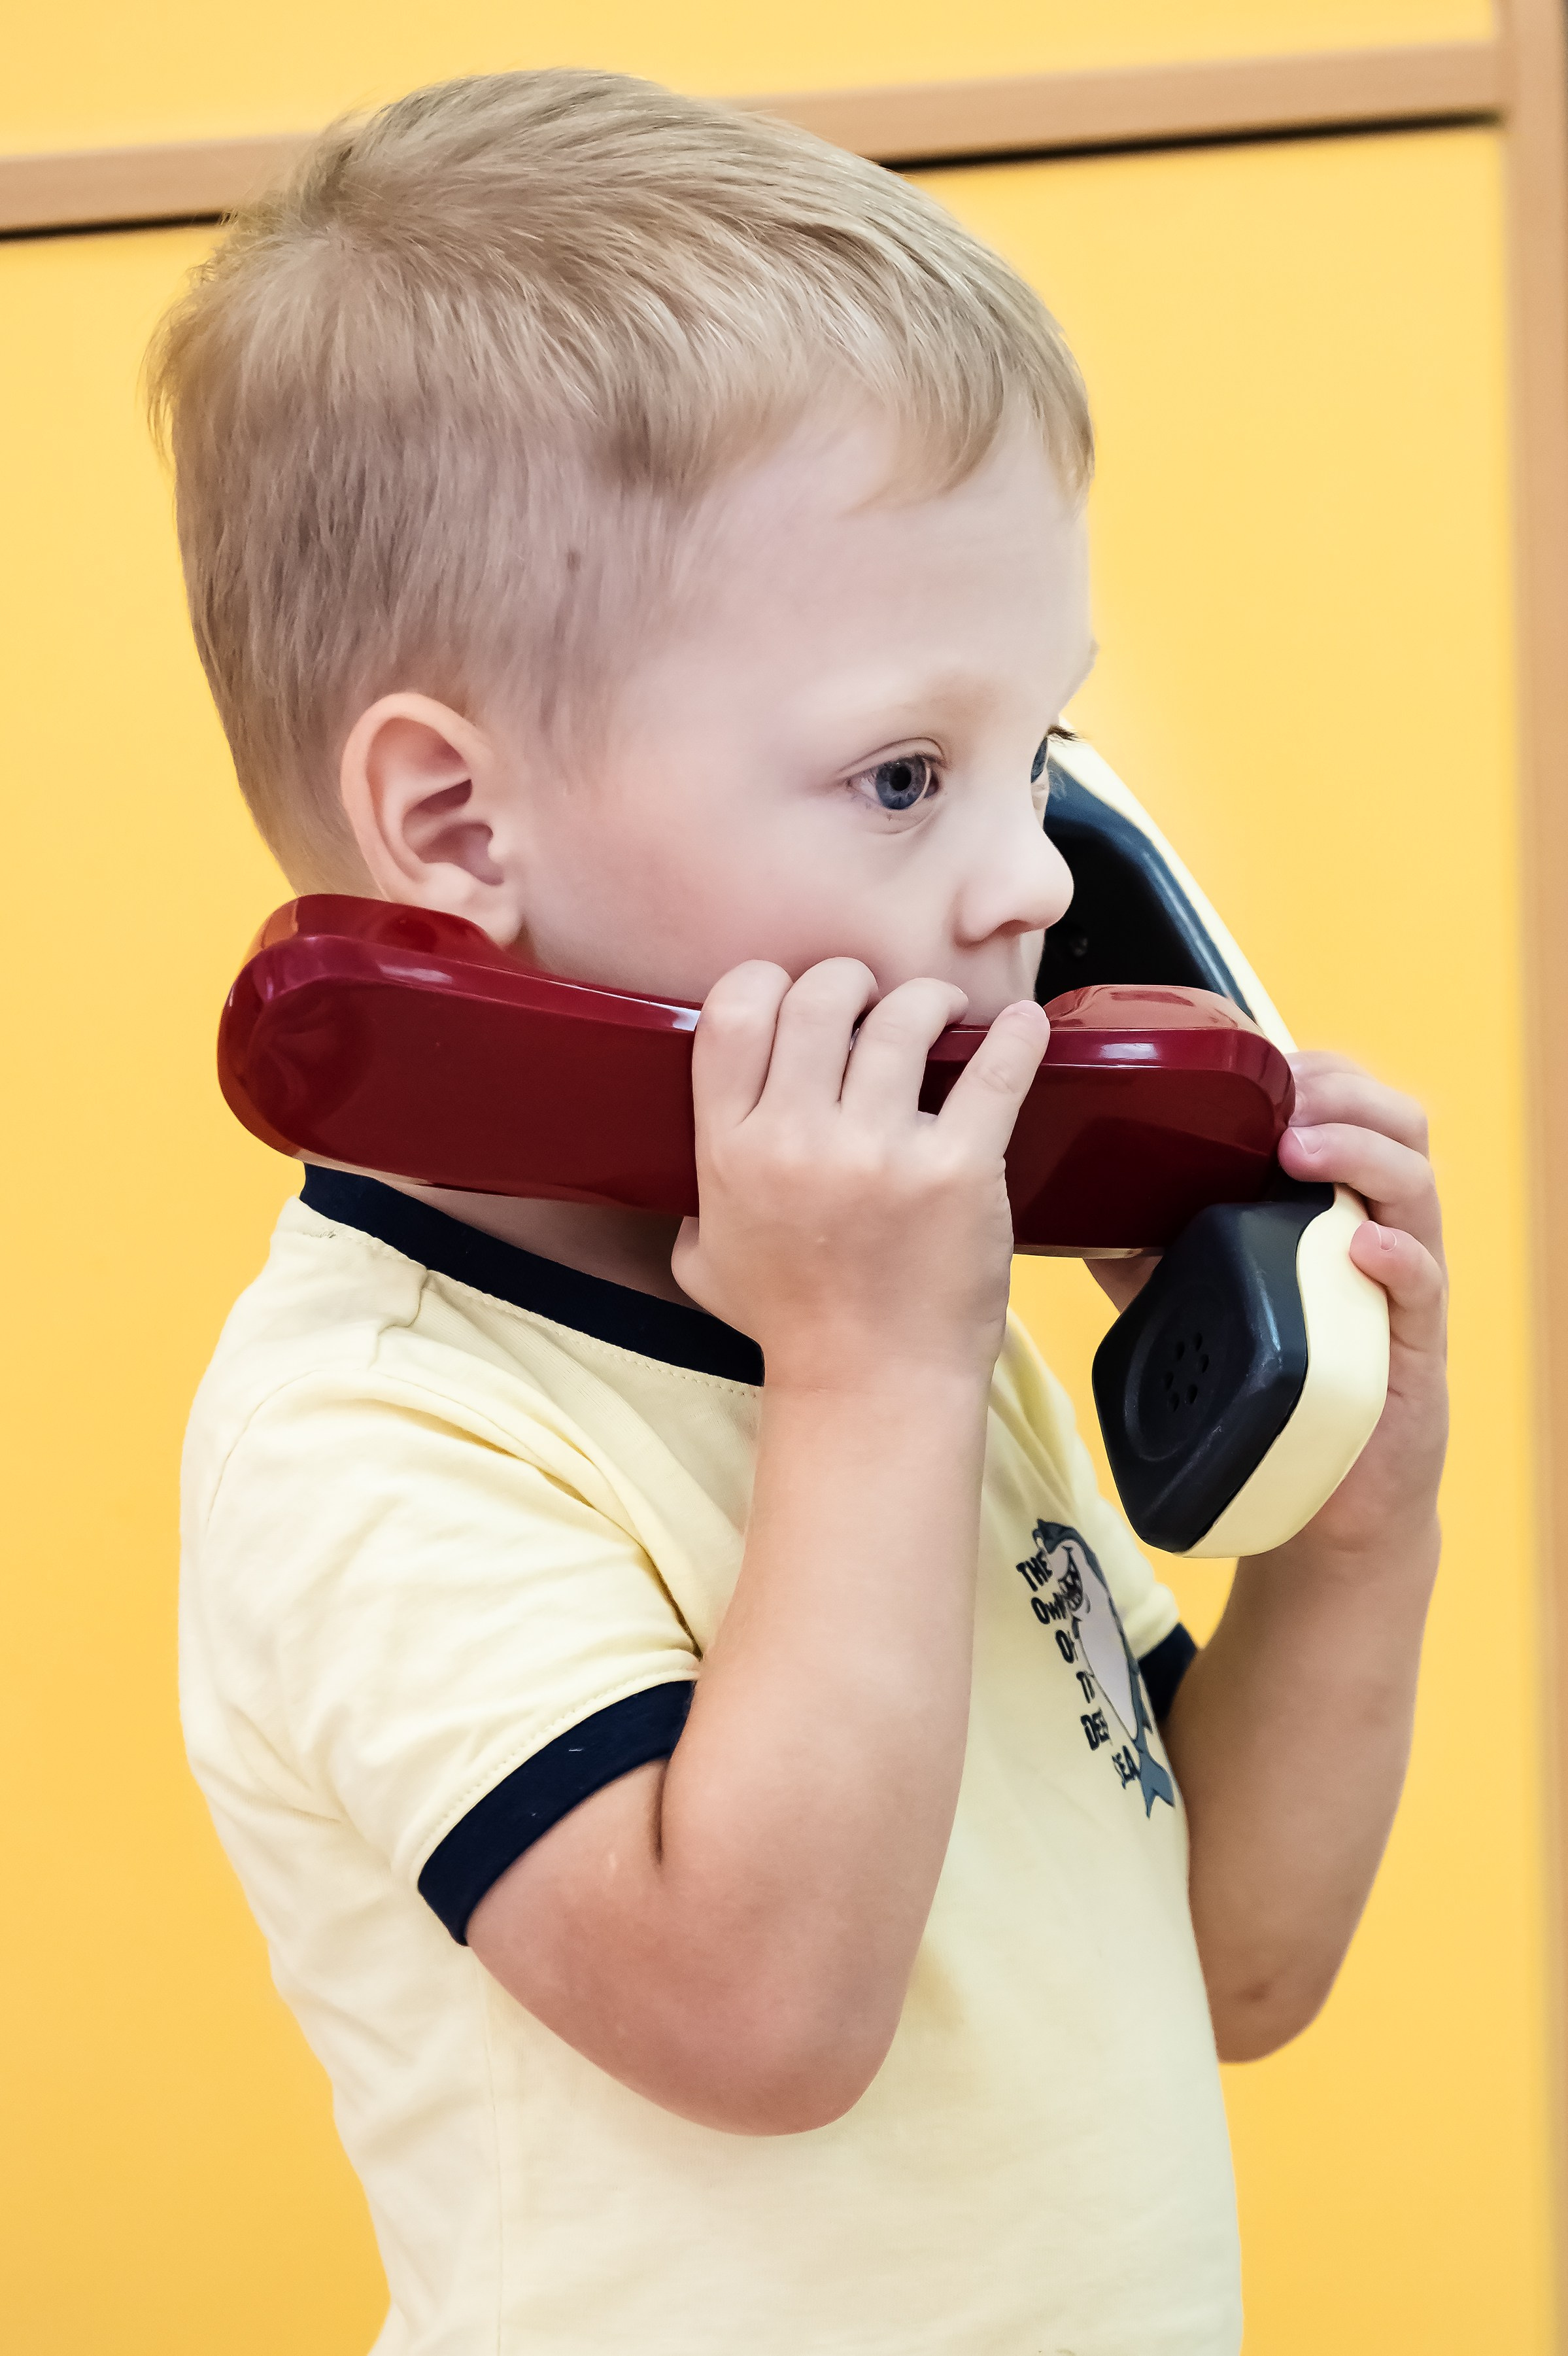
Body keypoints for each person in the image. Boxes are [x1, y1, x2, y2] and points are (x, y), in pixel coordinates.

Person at [158, 68, 1448, 2356]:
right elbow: (758, 2014)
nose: (1037, 875)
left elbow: (1227, 1963)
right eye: (902, 775)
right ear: (458, 825)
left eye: (1039, 755)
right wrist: (876, 1374)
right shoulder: (381, 1432)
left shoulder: (896, 1300)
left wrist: (1352, 1518)